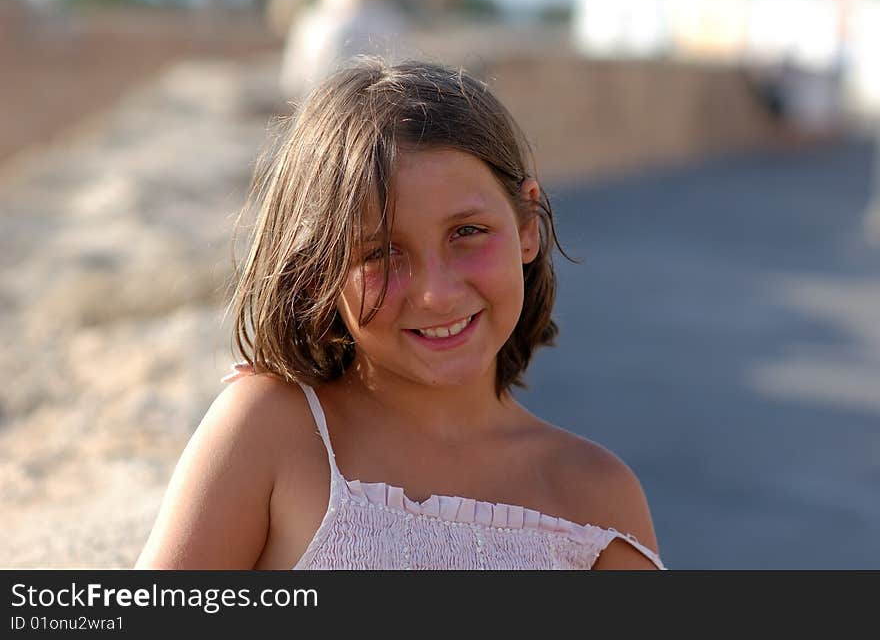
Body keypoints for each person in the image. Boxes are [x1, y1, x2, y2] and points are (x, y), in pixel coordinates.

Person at [135, 57, 665, 570]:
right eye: (379, 253)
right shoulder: (274, 433)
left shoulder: (596, 499)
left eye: (467, 233)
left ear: (528, 224)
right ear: (319, 271)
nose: (435, 294)